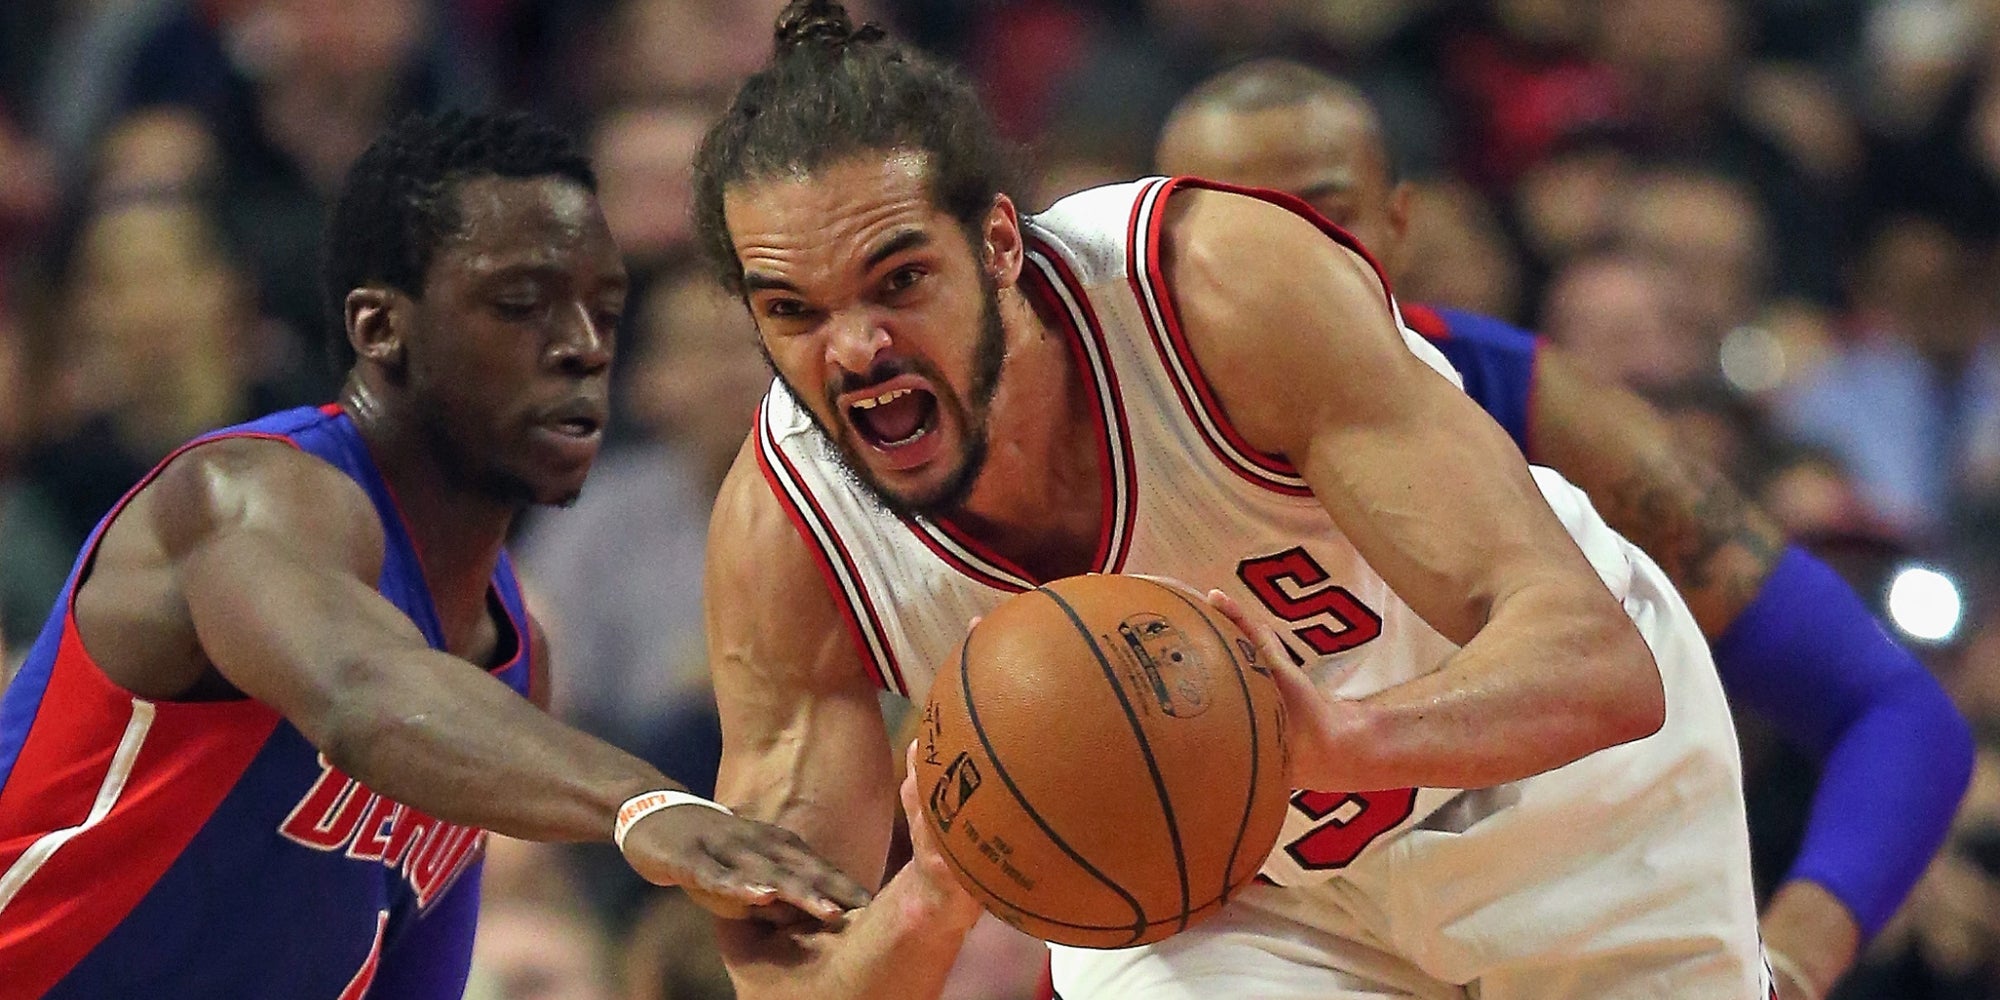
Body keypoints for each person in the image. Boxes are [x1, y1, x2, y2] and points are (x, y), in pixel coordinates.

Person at [695, 3, 1763, 997]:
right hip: (1230, 898)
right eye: (792, 309)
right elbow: (792, 984)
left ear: (999, 244)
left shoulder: (1211, 287)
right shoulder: (786, 532)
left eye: (898, 281)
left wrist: (1335, 741)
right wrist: (937, 889)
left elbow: (1596, 665)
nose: (853, 348)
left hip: (1553, 794)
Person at [1151, 58, 1976, 1000]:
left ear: (1400, 226)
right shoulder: (1096, 439)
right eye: (1229, 222)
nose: (1276, 263)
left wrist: (1787, 962)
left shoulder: (1524, 399)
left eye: (1319, 216)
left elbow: (1897, 715)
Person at [0, 110, 868, 1000]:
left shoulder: (510, 665)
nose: (582, 347)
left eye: (604, 311)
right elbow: (361, 695)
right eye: (521, 305)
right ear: (381, 328)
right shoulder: (244, 495)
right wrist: (642, 804)